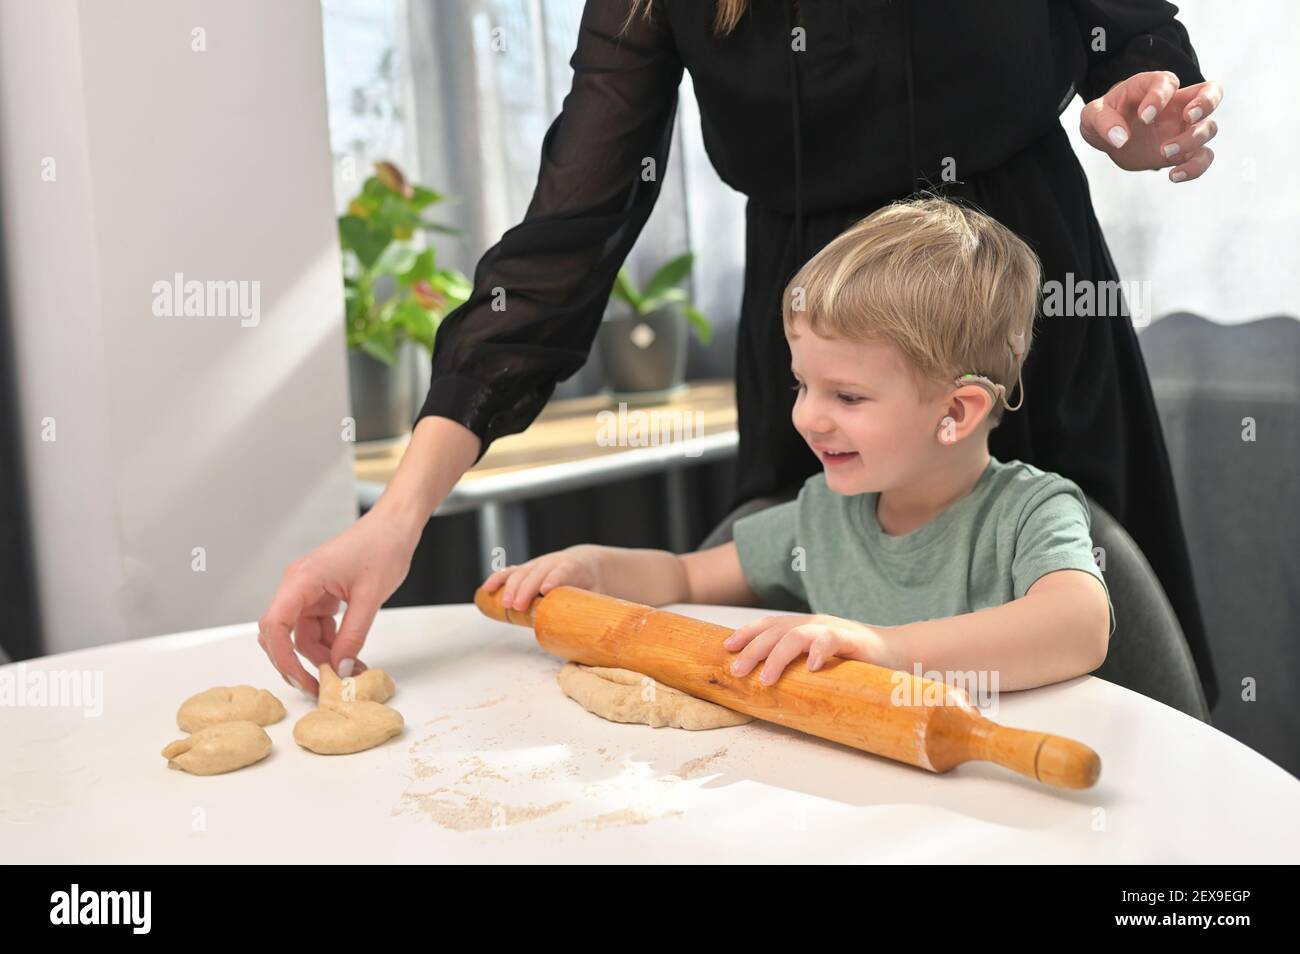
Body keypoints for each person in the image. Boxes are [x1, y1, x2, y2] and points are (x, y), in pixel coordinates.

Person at [258, 0, 1221, 706]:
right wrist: (400, 513)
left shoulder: (1025, 497)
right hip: (812, 315)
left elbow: (1127, 34)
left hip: (1018, 313)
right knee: (808, 695)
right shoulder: (821, 463)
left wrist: (1147, 100)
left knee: (1108, 703)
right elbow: (565, 237)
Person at [483, 197, 1114, 690]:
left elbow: (1079, 625)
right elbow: (685, 577)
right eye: (801, 385)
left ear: (955, 410)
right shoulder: (823, 515)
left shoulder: (1029, 511)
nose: (807, 417)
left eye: (847, 397)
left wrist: (885, 650)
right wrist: (596, 567)